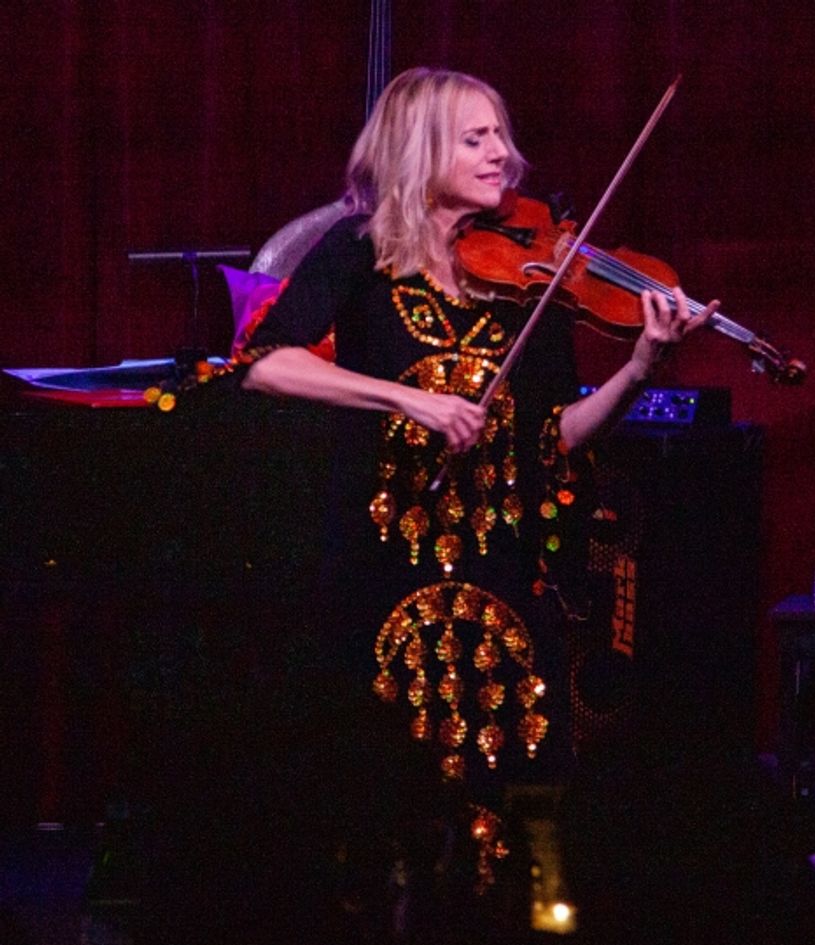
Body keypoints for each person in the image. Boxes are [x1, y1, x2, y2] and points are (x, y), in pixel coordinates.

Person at [146, 67, 713, 942]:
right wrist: (404, 398)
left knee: (512, 798)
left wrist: (640, 369)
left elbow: (555, 435)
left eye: (501, 134)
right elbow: (262, 363)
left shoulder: (534, 275)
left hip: (504, 574)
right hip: (383, 565)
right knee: (383, 798)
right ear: (419, 147)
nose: (503, 154)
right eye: (475, 137)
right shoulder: (360, 251)